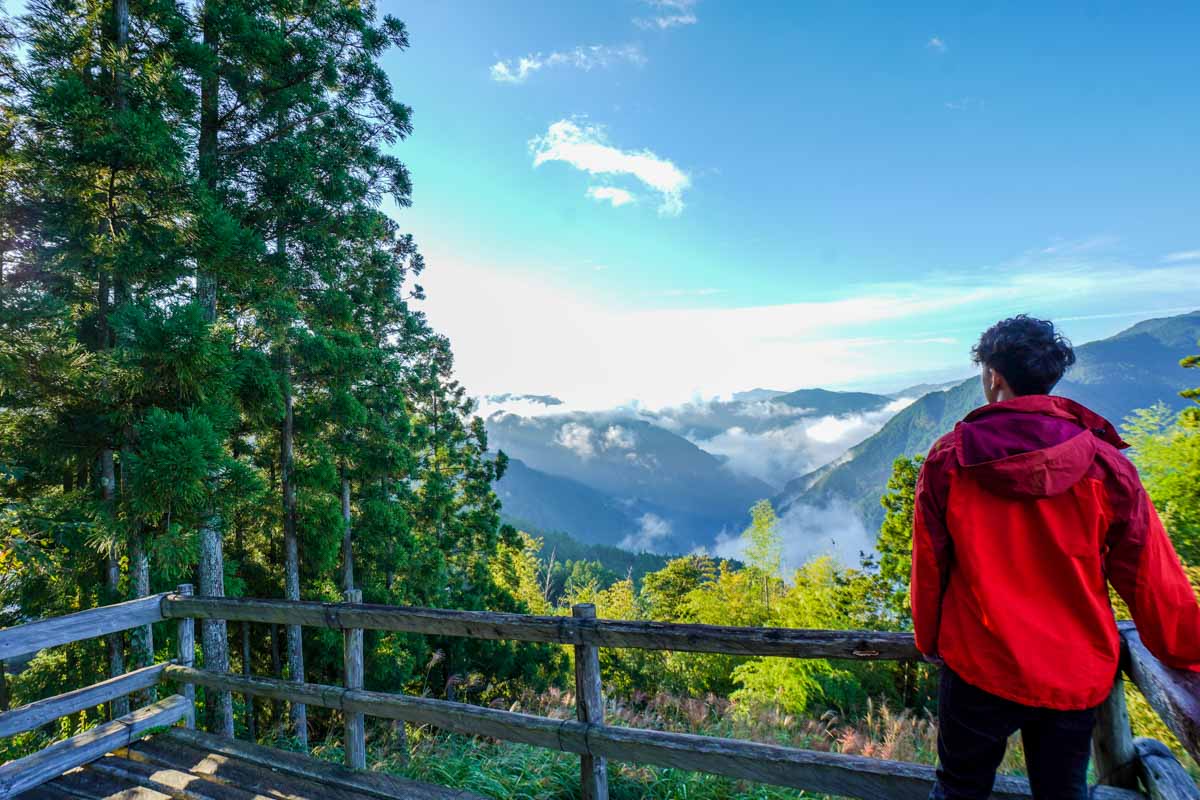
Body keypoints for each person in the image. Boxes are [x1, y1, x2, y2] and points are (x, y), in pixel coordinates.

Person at [911, 314, 1200, 800]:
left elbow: (930, 565)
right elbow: (1150, 577)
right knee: (1063, 793)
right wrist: (1187, 649)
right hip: (1073, 670)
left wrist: (928, 638)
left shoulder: (949, 461)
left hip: (978, 665)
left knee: (960, 789)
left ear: (993, 377)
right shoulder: (1106, 465)